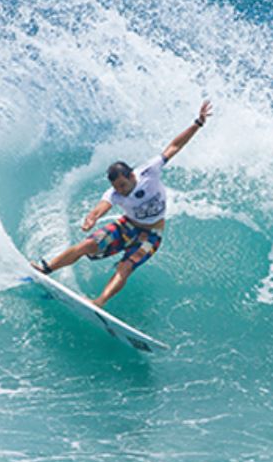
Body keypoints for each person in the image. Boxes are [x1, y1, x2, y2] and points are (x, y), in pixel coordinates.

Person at [31, 100, 213, 308]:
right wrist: (92, 217)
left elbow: (175, 146)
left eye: (123, 185)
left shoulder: (149, 172)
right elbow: (102, 206)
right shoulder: (115, 193)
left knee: (125, 267)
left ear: (131, 176)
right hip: (126, 225)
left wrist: (198, 123)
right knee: (87, 245)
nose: (120, 190)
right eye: (116, 188)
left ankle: (98, 302)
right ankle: (46, 269)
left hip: (152, 234)